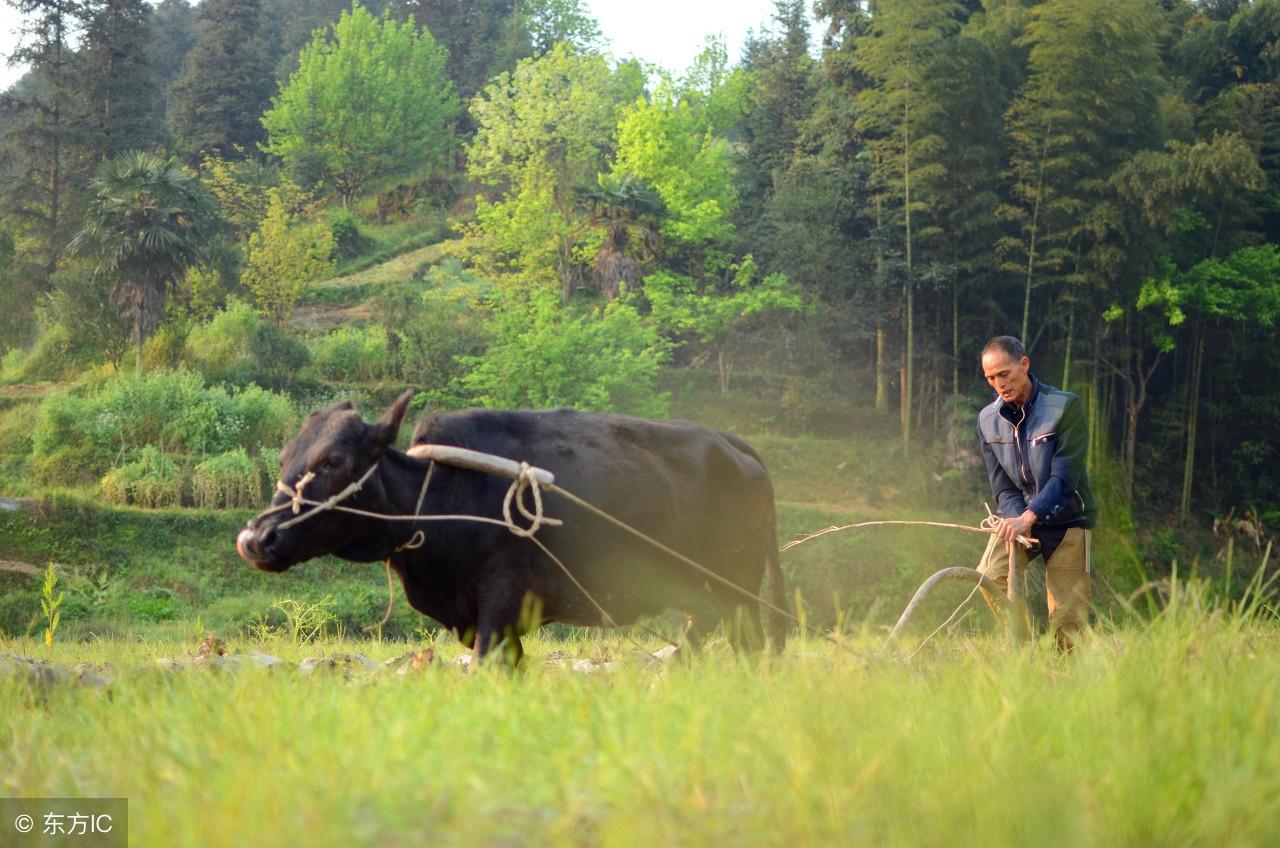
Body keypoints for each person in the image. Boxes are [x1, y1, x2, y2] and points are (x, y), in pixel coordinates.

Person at [977, 335, 1097, 649]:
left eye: (1004, 374)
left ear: (1024, 364)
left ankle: (1066, 679)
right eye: (991, 378)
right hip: (1018, 520)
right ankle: (1024, 649)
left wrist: (1031, 515)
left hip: (1067, 518)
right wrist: (1018, 519)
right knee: (988, 576)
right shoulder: (987, 421)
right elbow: (1002, 486)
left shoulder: (1064, 407)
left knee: (1067, 618)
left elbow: (1064, 478)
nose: (999, 384)